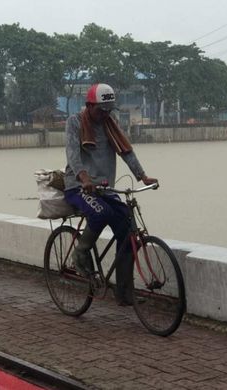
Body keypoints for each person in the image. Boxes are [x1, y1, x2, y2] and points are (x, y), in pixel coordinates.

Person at [63, 83, 158, 306]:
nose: (105, 114)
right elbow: (72, 154)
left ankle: (124, 292)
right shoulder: (75, 122)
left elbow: (126, 151)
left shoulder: (110, 125)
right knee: (101, 213)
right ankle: (80, 254)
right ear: (89, 106)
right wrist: (84, 178)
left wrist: (142, 176)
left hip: (105, 189)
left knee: (127, 228)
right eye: (101, 110)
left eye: (108, 110)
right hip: (77, 187)